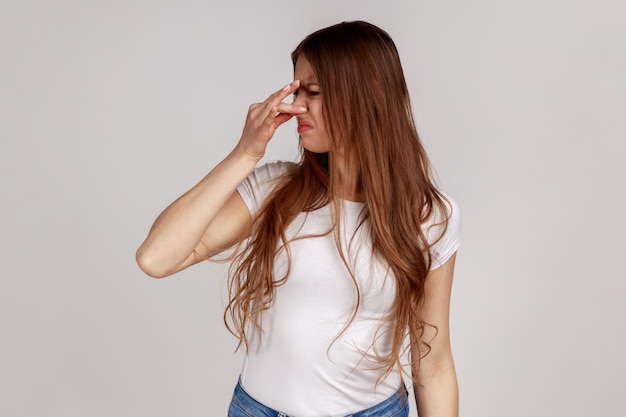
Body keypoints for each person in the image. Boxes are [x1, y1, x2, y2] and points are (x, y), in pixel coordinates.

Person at [136, 21, 461, 417]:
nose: (296, 107)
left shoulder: (429, 216)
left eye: (314, 92)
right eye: (294, 89)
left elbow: (434, 361)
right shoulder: (275, 187)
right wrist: (245, 154)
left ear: (367, 94)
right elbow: (156, 257)